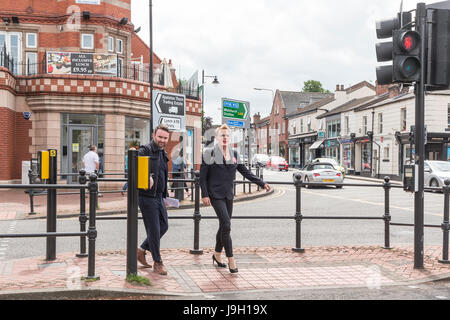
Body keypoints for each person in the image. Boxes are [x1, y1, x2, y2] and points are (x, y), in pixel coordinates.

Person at [200, 124, 271, 273]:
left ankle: (217, 254)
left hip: (228, 195)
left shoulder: (235, 154)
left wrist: (262, 183)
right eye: (222, 135)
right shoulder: (209, 154)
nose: (224, 138)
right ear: (217, 138)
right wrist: (204, 194)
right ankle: (231, 259)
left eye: (227, 136)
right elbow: (202, 178)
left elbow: (245, 172)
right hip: (215, 194)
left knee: (223, 225)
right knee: (226, 224)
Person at [136, 124, 170, 275]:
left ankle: (142, 249)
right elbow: (135, 165)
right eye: (160, 137)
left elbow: (162, 174)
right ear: (153, 135)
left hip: (159, 197)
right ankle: (158, 262)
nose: (162, 140)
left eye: (165, 138)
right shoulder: (145, 149)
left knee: (164, 226)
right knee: (155, 231)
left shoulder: (163, 153)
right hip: (147, 198)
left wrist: (166, 195)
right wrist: (146, 176)